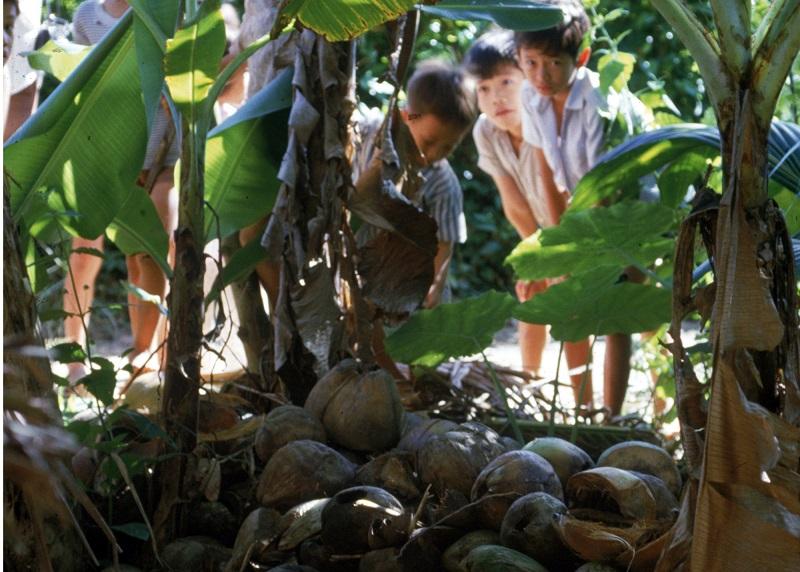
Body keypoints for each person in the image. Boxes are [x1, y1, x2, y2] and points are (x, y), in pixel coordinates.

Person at [515, 0, 647, 416]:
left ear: (581, 58)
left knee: (617, 308)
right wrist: (561, 249)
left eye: (553, 63)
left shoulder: (597, 101)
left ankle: (612, 414)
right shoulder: (530, 96)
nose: (541, 74)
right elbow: (544, 170)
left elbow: (604, 186)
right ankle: (584, 409)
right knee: (570, 300)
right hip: (576, 204)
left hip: (627, 206)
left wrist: (590, 251)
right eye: (530, 61)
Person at [463, 30, 591, 389]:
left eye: (506, 81)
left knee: (575, 305)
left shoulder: (548, 117)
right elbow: (513, 203)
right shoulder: (486, 132)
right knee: (531, 288)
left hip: (582, 224)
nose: (496, 97)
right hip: (542, 231)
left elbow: (564, 196)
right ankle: (530, 382)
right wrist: (534, 254)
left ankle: (590, 404)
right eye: (484, 88)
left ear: (527, 74)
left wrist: (556, 257)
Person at [63, 0, 179, 382]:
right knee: (84, 253)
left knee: (149, 254)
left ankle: (145, 356)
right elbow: (77, 84)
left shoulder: (168, 11)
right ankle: (75, 359)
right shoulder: (87, 17)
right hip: (103, 153)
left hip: (160, 154)